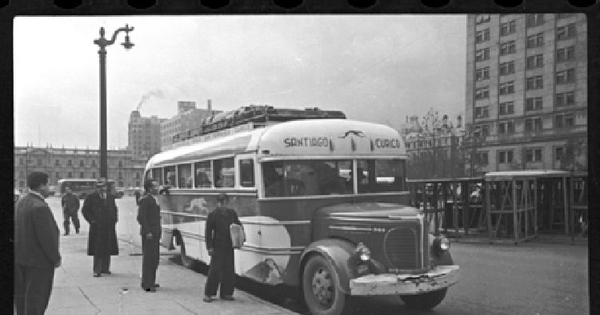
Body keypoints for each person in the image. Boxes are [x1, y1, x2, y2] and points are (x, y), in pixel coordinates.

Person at [15, 172, 61, 315]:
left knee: (23, 302)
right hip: (39, 263)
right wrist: (56, 258)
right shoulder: (40, 207)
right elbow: (47, 238)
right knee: (37, 302)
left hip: (21, 259)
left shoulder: (20, 202)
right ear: (41, 186)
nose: (49, 188)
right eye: (48, 184)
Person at [203, 193, 242, 302]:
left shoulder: (232, 214)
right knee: (214, 270)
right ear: (218, 203)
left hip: (229, 245)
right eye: (221, 203)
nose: (224, 205)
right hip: (217, 246)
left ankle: (226, 293)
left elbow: (238, 226)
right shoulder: (213, 215)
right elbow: (208, 232)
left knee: (229, 270)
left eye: (225, 203)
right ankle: (209, 293)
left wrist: (240, 238)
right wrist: (209, 247)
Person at [81, 178, 119, 277]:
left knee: (108, 247)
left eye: (103, 187)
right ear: (96, 188)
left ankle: (105, 268)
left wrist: (115, 219)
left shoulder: (110, 197)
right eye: (99, 187)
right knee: (98, 249)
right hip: (97, 227)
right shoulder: (91, 197)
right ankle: (97, 270)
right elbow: (85, 210)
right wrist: (92, 221)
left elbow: (114, 209)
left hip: (109, 226)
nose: (101, 189)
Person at [136, 179, 162, 292]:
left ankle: (151, 281)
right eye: (155, 186)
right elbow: (141, 217)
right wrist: (148, 232)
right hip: (149, 234)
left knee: (154, 258)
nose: (158, 188)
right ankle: (147, 284)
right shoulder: (146, 200)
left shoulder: (152, 198)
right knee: (149, 259)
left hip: (155, 233)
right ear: (150, 188)